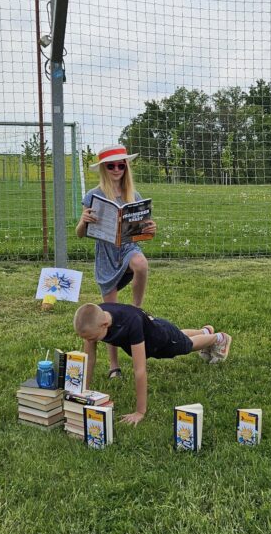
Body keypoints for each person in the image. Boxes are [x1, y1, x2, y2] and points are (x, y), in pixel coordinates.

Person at [73, 302, 231, 425]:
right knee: (179, 335)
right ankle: (205, 332)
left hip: (160, 340)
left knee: (186, 345)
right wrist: (83, 392)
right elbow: (90, 358)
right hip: (153, 329)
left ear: (105, 325)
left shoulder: (130, 323)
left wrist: (140, 412)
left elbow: (140, 370)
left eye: (91, 339)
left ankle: (219, 338)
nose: (89, 341)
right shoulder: (96, 319)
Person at [75, 144, 158, 378]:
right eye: (111, 165)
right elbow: (80, 234)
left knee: (141, 264)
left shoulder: (135, 195)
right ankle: (114, 366)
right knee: (109, 312)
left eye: (121, 164)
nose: (117, 169)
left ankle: (136, 308)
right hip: (106, 254)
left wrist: (151, 229)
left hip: (128, 247)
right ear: (103, 168)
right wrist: (83, 221)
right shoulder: (93, 195)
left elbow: (143, 233)